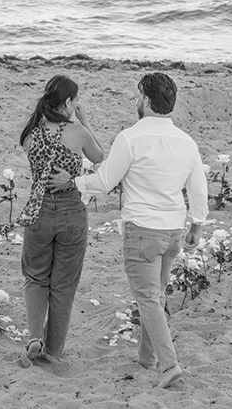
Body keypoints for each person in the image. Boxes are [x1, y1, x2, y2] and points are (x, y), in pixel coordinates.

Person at [47, 72, 207, 388]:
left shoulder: (130, 138)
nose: (136, 101)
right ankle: (148, 358)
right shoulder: (186, 142)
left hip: (143, 231)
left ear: (146, 101)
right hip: (173, 229)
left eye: (137, 96)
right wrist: (197, 225)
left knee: (148, 298)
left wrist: (74, 182)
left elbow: (105, 180)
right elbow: (198, 187)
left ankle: (169, 364)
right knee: (156, 295)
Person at [15, 75, 104, 367]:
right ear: (67, 103)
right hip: (71, 212)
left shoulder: (30, 134)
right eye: (75, 100)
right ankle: (52, 351)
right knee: (63, 286)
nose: (77, 105)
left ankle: (33, 337)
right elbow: (99, 156)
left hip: (39, 211)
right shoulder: (78, 133)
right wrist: (85, 120)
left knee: (36, 277)